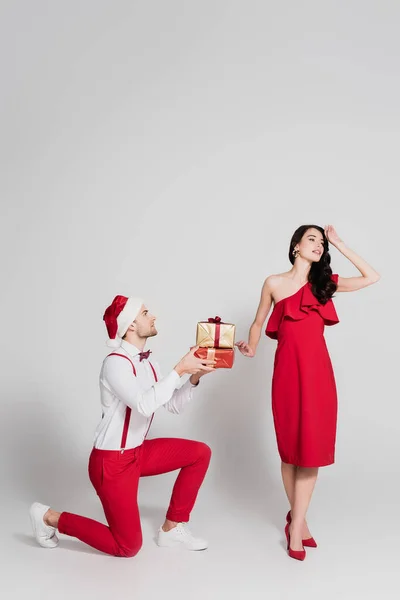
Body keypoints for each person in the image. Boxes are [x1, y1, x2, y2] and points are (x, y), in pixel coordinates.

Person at [30, 295, 216, 557]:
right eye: (145, 313)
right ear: (130, 325)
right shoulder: (115, 363)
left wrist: (194, 376)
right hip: (111, 464)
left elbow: (172, 404)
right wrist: (180, 368)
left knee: (200, 453)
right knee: (128, 546)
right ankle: (49, 517)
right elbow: (143, 404)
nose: (153, 317)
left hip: (137, 453)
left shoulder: (149, 362)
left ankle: (172, 528)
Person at [236, 224, 380, 561]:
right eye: (311, 239)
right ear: (296, 246)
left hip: (318, 376)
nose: (318, 244)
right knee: (290, 450)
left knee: (311, 450)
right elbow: (258, 322)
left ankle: (296, 526)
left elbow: (372, 277)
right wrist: (252, 347)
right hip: (286, 373)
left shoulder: (324, 283)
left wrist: (341, 244)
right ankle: (298, 524)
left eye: (321, 241)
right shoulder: (273, 283)